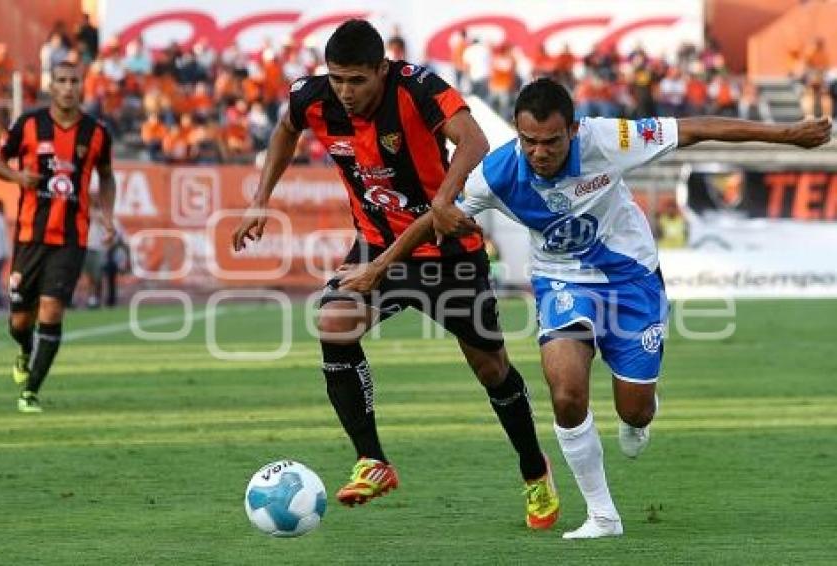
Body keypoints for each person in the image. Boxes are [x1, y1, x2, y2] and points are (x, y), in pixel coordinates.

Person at [338, 78, 833, 538]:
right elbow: (435, 218)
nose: (540, 152)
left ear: (573, 130)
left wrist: (787, 135)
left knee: (633, 410)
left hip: (631, 278)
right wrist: (379, 266)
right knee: (567, 392)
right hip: (561, 280)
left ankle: (641, 415)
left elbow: (695, 129)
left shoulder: (608, 139)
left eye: (552, 141)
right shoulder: (498, 172)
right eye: (530, 140)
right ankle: (602, 514)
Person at [231, 19, 559, 529]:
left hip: (448, 252)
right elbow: (284, 130)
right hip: (375, 244)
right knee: (333, 323)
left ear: (382, 70)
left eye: (357, 80)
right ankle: (373, 461)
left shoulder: (418, 88)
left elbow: (474, 141)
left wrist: (445, 198)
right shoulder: (311, 98)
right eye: (337, 78)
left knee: (491, 369)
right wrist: (259, 200)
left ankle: (535, 471)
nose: (345, 91)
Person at [0, 60, 116, 413]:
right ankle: (25, 351)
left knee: (52, 308)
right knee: (19, 321)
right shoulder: (28, 124)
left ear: (82, 85)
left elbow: (106, 175)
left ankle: (30, 390)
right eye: (62, 80)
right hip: (30, 237)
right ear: (51, 85)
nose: (69, 86)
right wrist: (17, 178)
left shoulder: (97, 133)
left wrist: (107, 215)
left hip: (72, 238)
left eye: (75, 80)